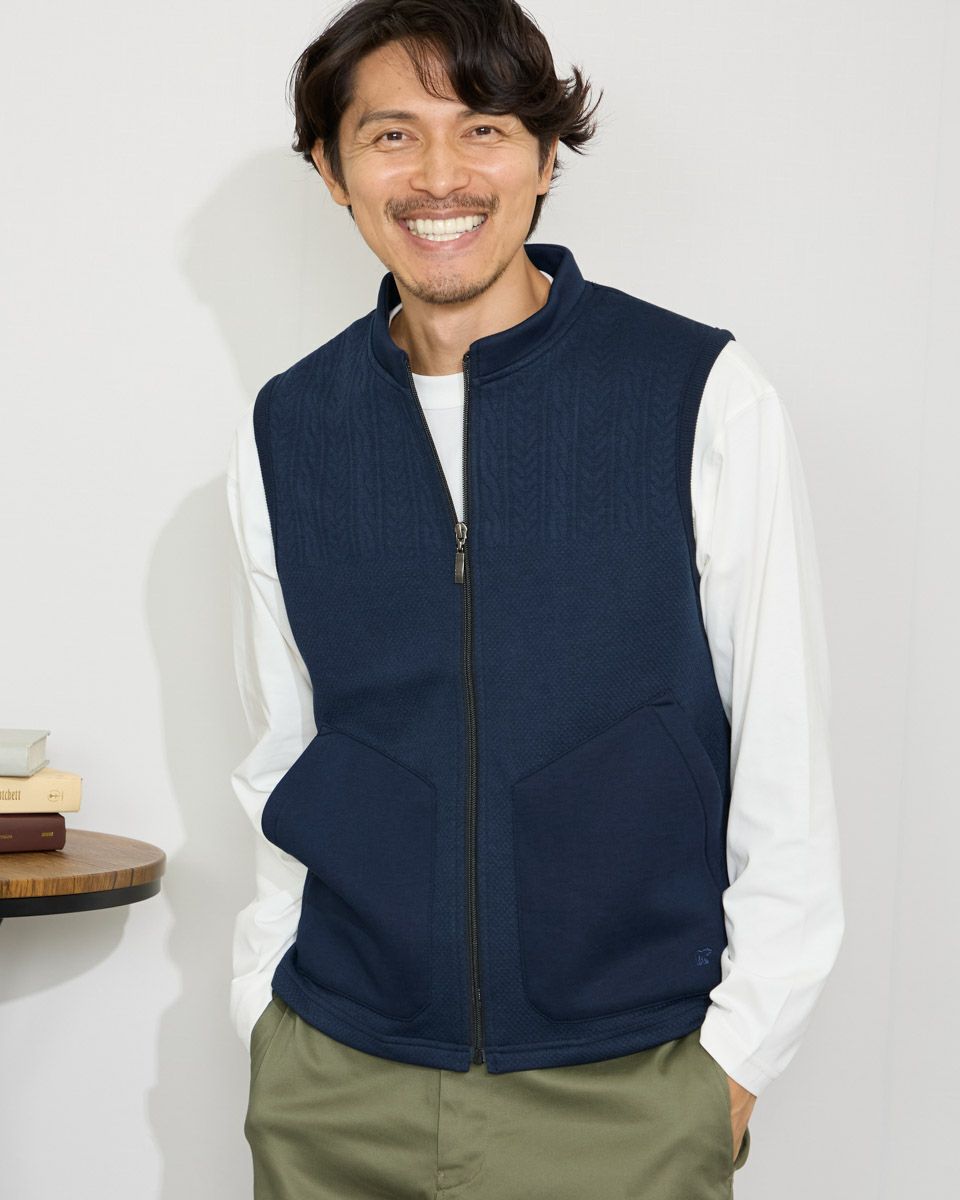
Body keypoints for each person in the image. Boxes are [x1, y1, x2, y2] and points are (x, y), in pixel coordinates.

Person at [226, 1, 845, 1196]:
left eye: (485, 128)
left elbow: (784, 747)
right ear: (331, 171)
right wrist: (266, 1018)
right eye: (392, 135)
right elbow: (283, 754)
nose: (440, 177)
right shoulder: (287, 427)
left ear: (546, 156)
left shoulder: (698, 392)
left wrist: (735, 1062)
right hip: (335, 1080)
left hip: (627, 1088)